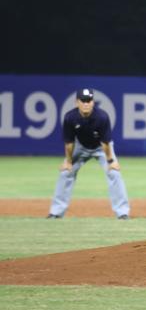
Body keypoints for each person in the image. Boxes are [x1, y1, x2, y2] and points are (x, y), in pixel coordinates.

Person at [47, 88, 131, 219]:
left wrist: (111, 161)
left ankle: (122, 213)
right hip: (80, 147)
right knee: (65, 172)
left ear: (93, 102)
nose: (86, 103)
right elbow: (69, 143)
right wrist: (68, 161)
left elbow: (105, 142)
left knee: (114, 173)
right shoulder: (70, 117)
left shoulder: (102, 117)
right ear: (77, 102)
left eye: (89, 100)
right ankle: (56, 213)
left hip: (101, 148)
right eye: (83, 101)